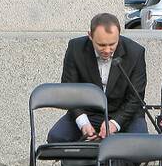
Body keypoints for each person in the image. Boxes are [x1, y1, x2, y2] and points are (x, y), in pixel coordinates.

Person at [48, 13, 148, 144]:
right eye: (101, 45)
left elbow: (136, 97)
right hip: (88, 112)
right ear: (90, 36)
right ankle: (78, 164)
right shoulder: (75, 48)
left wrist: (115, 123)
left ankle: (123, 165)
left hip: (124, 112)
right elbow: (69, 89)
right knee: (57, 137)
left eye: (112, 44)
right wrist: (83, 123)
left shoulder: (135, 52)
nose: (107, 50)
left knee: (139, 141)